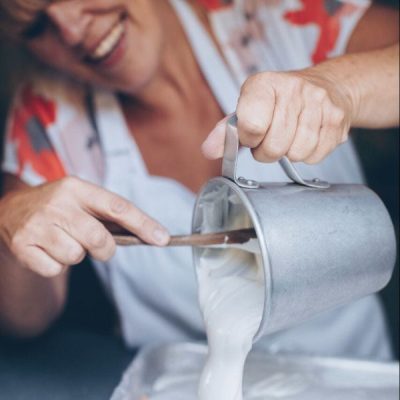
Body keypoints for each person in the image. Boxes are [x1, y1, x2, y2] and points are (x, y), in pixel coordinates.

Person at [0, 0, 398, 360]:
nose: (70, 30)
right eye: (36, 26)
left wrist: (340, 89)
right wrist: (9, 225)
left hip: (357, 376)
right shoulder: (48, 112)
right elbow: (27, 318)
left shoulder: (271, 18)